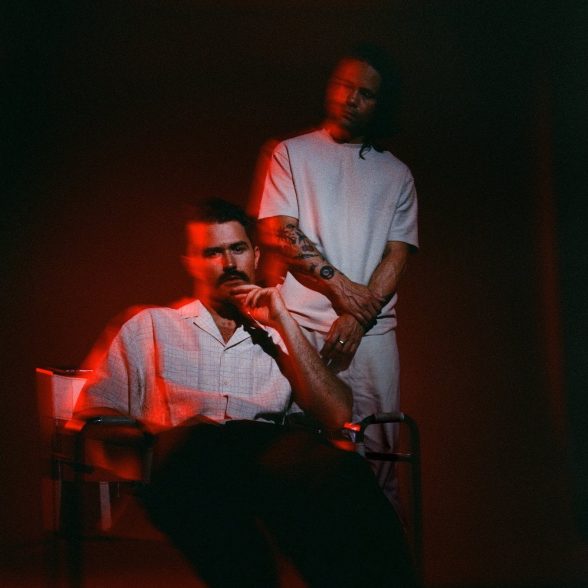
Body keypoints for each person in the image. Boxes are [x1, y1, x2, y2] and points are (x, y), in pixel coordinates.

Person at [75, 198, 415, 587]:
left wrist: (283, 320)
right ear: (191, 262)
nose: (228, 263)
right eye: (212, 253)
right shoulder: (149, 326)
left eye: (237, 248)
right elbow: (93, 417)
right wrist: (151, 443)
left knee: (344, 470)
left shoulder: (282, 338)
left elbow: (337, 413)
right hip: (185, 465)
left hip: (265, 467)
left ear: (255, 255)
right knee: (200, 444)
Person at [254, 43, 419, 503]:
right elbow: (282, 233)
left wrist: (357, 319)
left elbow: (397, 255)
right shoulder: (291, 153)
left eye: (365, 93)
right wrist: (344, 293)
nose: (351, 99)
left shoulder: (397, 174)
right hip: (302, 328)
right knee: (299, 457)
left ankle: (381, 547)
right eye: (344, 86)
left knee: (380, 463)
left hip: (372, 336)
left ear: (379, 104)